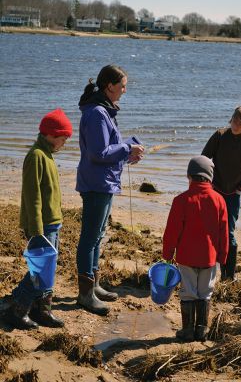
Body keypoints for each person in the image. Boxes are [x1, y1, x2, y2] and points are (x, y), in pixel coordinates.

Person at [76, 64, 144, 316]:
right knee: (90, 238)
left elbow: (108, 147)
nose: (125, 90)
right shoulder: (96, 113)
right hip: (96, 183)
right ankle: (85, 294)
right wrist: (127, 150)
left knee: (98, 235)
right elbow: (99, 152)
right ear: (109, 87)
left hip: (104, 181)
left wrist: (130, 148)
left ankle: (93, 286)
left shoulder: (104, 110)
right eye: (123, 86)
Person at [6, 108, 73, 330]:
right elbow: (32, 195)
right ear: (51, 135)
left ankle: (42, 309)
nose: (64, 143)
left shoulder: (48, 155)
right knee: (39, 271)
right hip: (41, 226)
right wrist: (36, 229)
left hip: (53, 222)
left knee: (48, 269)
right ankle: (17, 308)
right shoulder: (36, 156)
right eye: (63, 139)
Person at [163, 155, 228, 342]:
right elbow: (224, 233)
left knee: (188, 292)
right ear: (210, 177)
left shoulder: (181, 200)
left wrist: (167, 253)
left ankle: (187, 331)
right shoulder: (219, 200)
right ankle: (202, 330)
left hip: (186, 257)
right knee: (205, 292)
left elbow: (172, 231)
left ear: (189, 177)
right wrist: (222, 257)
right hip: (209, 258)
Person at [202, 105, 241, 281]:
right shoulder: (220, 135)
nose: (236, 123)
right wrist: (207, 184)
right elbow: (204, 159)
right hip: (215, 190)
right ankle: (206, 269)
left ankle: (228, 277)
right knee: (210, 230)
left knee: (229, 234)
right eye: (234, 119)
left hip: (233, 194)